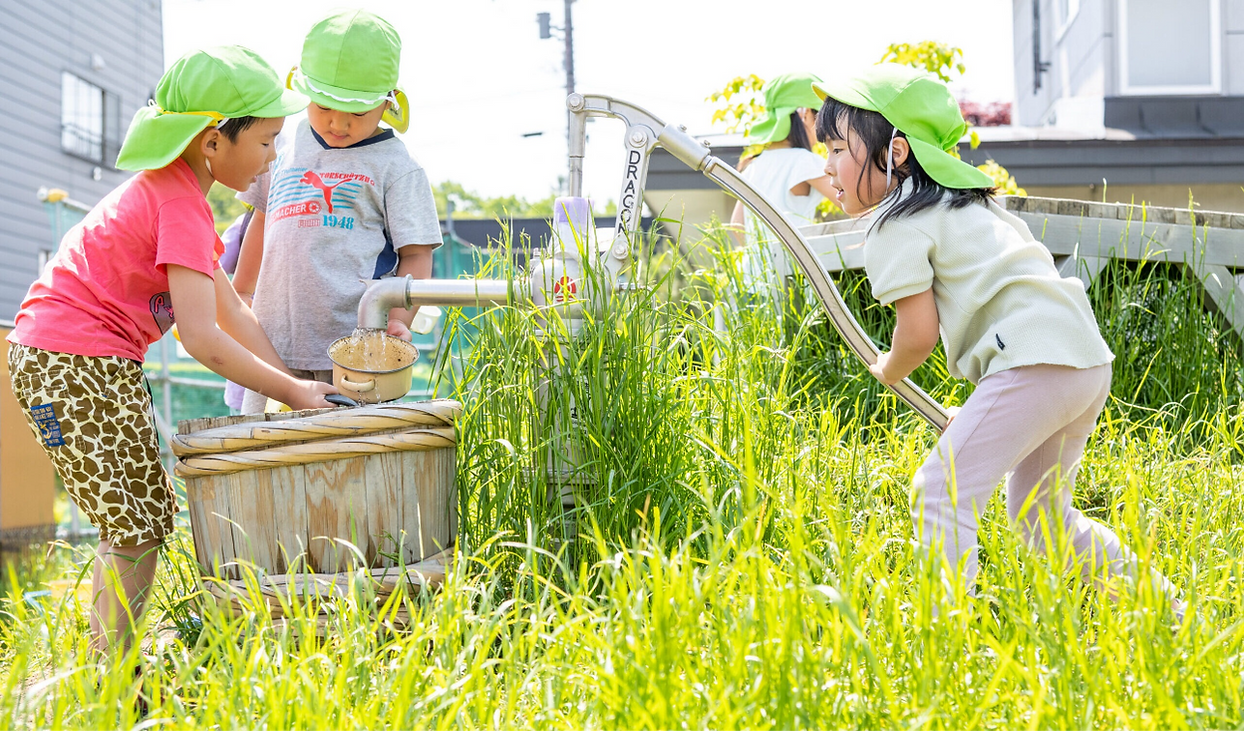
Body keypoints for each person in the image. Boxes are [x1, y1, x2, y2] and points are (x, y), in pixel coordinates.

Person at [812, 64, 1184, 618]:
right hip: (1081, 357)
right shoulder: (969, 203)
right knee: (1041, 518)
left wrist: (889, 368)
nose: (827, 165)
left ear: (896, 152)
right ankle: (1171, 615)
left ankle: (943, 635)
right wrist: (986, 408)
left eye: (839, 149)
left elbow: (918, 335)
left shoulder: (896, 222)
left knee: (939, 491)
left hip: (1034, 361)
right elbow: (1010, 299)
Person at [6, 46, 338, 654]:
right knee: (135, 525)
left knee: (137, 517)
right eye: (266, 141)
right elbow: (202, 337)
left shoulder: (174, 194)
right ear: (213, 141)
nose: (272, 157)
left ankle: (110, 666)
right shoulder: (180, 204)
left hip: (64, 361)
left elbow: (233, 312)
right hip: (76, 363)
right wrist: (292, 392)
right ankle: (111, 674)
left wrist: (293, 383)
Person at [232, 9, 441, 414]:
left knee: (345, 447)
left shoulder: (397, 166)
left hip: (354, 350)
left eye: (357, 112)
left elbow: (416, 254)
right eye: (324, 105)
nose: (338, 123)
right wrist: (241, 294)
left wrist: (398, 321)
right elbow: (262, 218)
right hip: (270, 344)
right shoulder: (281, 144)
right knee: (263, 442)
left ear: (388, 102)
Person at [729, 72, 835, 286]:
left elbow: (737, 226)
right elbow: (853, 202)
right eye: (820, 117)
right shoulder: (804, 160)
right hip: (792, 279)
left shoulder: (753, 165)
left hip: (753, 280)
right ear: (805, 113)